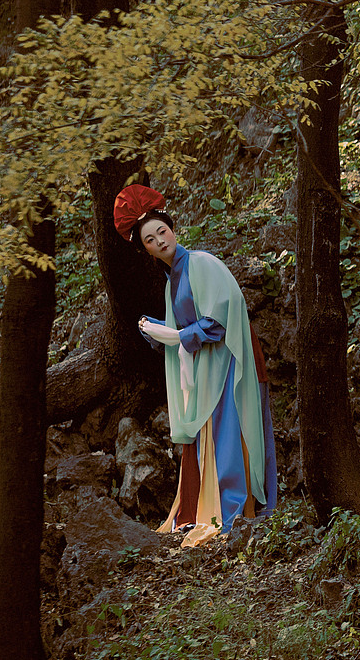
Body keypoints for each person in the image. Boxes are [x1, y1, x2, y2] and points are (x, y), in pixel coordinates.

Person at [113, 184, 278, 546]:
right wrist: (158, 334)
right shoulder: (172, 280)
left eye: (162, 232)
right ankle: (204, 505)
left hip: (229, 360)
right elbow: (181, 333)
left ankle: (234, 507)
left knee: (227, 429)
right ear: (146, 251)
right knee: (208, 433)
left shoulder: (201, 263)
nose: (160, 240)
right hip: (206, 366)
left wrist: (177, 336)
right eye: (150, 240)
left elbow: (219, 320)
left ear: (173, 230)